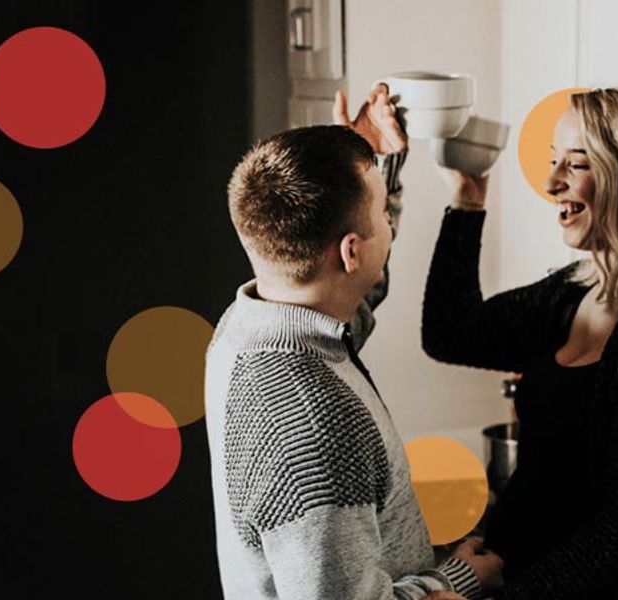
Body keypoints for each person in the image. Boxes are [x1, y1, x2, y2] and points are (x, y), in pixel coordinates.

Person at [205, 84, 503, 600]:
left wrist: (370, 157)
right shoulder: (314, 425)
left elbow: (356, 301)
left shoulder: (248, 327)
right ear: (348, 252)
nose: (390, 223)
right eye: (384, 212)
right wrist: (455, 580)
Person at [422, 87, 618, 599]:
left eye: (575, 164)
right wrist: (468, 202)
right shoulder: (574, 288)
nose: (550, 182)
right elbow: (451, 333)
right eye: (553, 161)